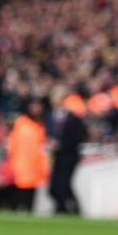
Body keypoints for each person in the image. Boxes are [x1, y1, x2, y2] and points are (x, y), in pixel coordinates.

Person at [47, 85, 88, 215]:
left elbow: (78, 137)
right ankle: (68, 208)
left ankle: (64, 209)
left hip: (69, 156)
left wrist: (61, 144)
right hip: (55, 156)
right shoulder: (49, 116)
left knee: (63, 184)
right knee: (55, 187)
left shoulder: (73, 118)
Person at [6, 98, 49, 212]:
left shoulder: (41, 125)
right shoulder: (21, 122)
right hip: (20, 164)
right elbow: (12, 142)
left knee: (30, 195)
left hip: (35, 166)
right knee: (19, 193)